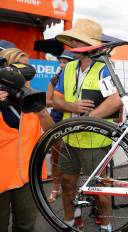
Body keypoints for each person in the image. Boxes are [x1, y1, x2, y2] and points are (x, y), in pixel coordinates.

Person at [53, 18, 122, 232]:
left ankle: (106, 224)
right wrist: (72, 107)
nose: (72, 44)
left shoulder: (102, 69)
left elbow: (115, 100)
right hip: (70, 138)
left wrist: (88, 117)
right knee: (66, 182)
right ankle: (70, 220)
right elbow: (56, 100)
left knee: (100, 189)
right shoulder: (69, 67)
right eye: (72, 40)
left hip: (95, 141)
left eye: (76, 40)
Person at [0, 48, 54, 232]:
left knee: (25, 226)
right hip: (1, 178)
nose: (25, 71)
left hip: (28, 176)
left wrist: (41, 111)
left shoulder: (32, 96)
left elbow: (51, 133)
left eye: (28, 66)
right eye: (18, 66)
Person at [46, 50, 76, 203]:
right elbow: (47, 101)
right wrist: (66, 104)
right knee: (56, 158)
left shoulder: (77, 78)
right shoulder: (54, 79)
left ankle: (74, 192)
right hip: (57, 121)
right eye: (61, 61)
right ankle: (55, 188)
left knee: (74, 160)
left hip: (74, 123)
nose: (62, 64)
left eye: (66, 62)